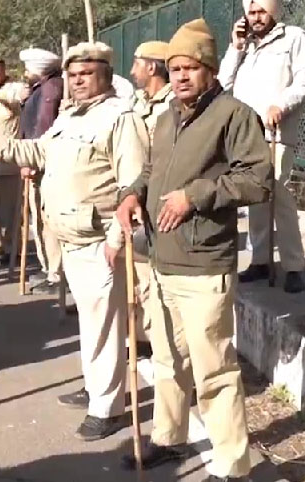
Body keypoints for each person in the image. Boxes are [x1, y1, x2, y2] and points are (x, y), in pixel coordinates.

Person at [116, 18, 273, 481]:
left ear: (209, 69)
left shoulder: (234, 115)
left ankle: (232, 465)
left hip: (204, 264)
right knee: (166, 360)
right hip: (163, 259)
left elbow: (257, 180)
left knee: (214, 371)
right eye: (175, 68)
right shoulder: (168, 117)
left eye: (191, 68)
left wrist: (196, 195)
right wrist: (131, 193)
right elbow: (151, 172)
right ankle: (168, 437)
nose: (181, 76)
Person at [0, 42, 149, 441]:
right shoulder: (69, 118)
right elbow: (37, 151)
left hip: (100, 239)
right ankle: (97, 387)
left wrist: (117, 241)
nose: (77, 80)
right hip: (70, 239)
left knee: (105, 325)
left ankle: (108, 407)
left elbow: (132, 185)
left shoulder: (120, 118)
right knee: (92, 324)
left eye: (86, 73)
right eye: (72, 74)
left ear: (104, 73)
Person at [219, 0, 305, 294]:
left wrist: (282, 105)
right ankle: (261, 260)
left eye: (261, 11)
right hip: (244, 136)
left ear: (273, 12)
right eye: (251, 12)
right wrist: (235, 47)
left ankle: (293, 265)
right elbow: (223, 83)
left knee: (280, 196)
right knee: (255, 198)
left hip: (276, 133)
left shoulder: (293, 38)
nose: (255, 18)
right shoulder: (242, 45)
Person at [127, 40, 174, 357]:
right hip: (137, 197)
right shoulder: (139, 102)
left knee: (154, 283)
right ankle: (144, 340)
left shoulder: (172, 105)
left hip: (160, 200)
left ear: (153, 67)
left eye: (137, 64)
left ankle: (163, 347)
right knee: (138, 280)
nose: (132, 71)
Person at [15, 48, 65, 295]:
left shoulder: (50, 90)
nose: (25, 73)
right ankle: (50, 269)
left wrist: (30, 161)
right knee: (39, 220)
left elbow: (42, 126)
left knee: (48, 221)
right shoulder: (40, 90)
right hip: (37, 164)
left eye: (28, 68)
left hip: (42, 166)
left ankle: (56, 273)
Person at [0, 52, 29, 266]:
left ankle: (14, 249)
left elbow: (20, 103)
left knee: (10, 208)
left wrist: (4, 99)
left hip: (9, 158)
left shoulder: (15, 89)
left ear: (3, 68)